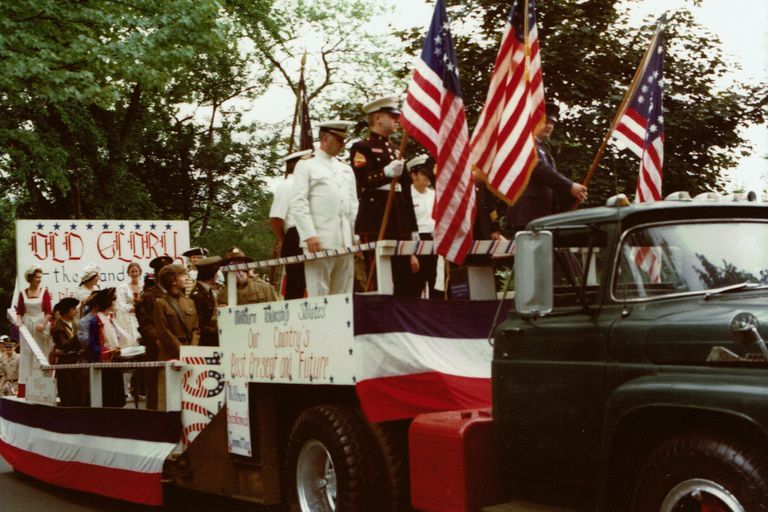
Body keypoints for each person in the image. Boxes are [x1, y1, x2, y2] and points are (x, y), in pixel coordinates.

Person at [350, 95, 418, 295]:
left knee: (405, 275)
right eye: (392, 116)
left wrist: (412, 226)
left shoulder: (396, 149)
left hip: (399, 219)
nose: (397, 120)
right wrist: (385, 173)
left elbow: (406, 191)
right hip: (376, 217)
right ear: (378, 118)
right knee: (379, 273)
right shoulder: (362, 147)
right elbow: (363, 181)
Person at [292, 121, 359, 296]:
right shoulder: (306, 165)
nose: (343, 145)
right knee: (319, 295)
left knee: (343, 295)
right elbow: (299, 202)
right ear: (326, 138)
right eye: (339, 140)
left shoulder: (345, 168)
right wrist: (309, 234)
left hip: (345, 240)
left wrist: (355, 235)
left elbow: (353, 205)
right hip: (319, 240)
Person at [505, 103, 588, 232]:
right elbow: (540, 169)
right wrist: (570, 186)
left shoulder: (541, 148)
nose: (549, 126)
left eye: (552, 123)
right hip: (526, 214)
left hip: (537, 215)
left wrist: (571, 195)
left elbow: (549, 182)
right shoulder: (525, 144)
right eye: (546, 121)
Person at [154, 264, 200, 410]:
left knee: (190, 399)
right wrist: (182, 353)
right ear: (173, 280)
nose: (186, 278)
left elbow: (196, 329)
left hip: (190, 358)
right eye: (182, 275)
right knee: (168, 400)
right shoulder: (161, 304)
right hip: (170, 357)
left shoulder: (189, 302)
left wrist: (191, 352)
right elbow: (164, 332)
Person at [270, 148, 313, 299]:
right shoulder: (286, 186)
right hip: (295, 235)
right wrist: (285, 239)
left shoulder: (312, 184)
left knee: (316, 281)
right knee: (296, 283)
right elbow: (276, 218)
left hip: (315, 233)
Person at [135, 255, 173, 410]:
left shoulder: (178, 294)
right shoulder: (149, 296)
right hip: (156, 348)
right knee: (155, 387)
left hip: (176, 347)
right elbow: (145, 324)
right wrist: (160, 339)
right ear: (158, 274)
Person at [15, 265, 53, 397]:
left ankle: (42, 386)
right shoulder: (23, 293)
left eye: (40, 277)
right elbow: (19, 311)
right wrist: (19, 321)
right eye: (37, 277)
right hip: (27, 326)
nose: (39, 280)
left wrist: (43, 324)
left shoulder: (44, 292)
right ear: (30, 278)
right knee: (27, 354)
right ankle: (25, 388)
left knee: (41, 353)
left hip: (40, 326)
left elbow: (49, 312)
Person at [84, 288, 125, 408]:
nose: (115, 303)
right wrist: (109, 352)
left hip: (115, 362)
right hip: (104, 365)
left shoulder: (110, 319)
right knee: (108, 397)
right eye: (114, 300)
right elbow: (93, 346)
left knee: (117, 398)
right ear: (108, 302)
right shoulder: (96, 320)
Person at [407, 155, 440, 298]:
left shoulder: (435, 194)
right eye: (423, 174)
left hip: (436, 240)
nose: (428, 177)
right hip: (417, 242)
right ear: (413, 175)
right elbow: (405, 225)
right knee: (416, 285)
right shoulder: (406, 196)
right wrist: (410, 253)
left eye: (429, 174)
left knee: (437, 285)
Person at [51, 297, 85, 406]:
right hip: (65, 361)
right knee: (67, 391)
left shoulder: (75, 325)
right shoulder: (58, 326)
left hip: (75, 359)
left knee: (78, 389)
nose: (76, 311)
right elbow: (65, 345)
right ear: (66, 310)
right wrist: (79, 338)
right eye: (73, 309)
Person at [189, 255, 222, 346]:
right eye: (216, 272)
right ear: (212, 274)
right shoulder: (197, 295)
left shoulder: (207, 291)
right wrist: (218, 330)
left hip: (212, 341)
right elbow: (198, 324)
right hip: (204, 343)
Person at [115, 262, 142, 345]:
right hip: (130, 317)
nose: (134, 273)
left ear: (140, 272)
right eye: (132, 271)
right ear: (128, 273)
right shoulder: (123, 287)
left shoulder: (144, 286)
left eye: (136, 271)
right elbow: (120, 303)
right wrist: (132, 308)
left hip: (143, 315)